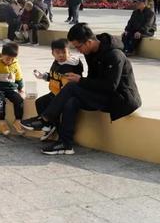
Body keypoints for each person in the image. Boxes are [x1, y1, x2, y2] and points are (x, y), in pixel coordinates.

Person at [21, 23, 142, 155]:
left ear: (89, 42)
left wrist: (80, 80)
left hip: (119, 99)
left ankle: (44, 120)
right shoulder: (90, 52)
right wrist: (80, 81)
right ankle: (65, 143)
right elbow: (92, 79)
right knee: (72, 100)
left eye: (79, 47)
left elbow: (110, 86)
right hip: (102, 93)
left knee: (73, 87)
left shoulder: (114, 55)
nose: (78, 51)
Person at [32, 39, 84, 141]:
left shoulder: (71, 65)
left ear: (69, 52)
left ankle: (55, 129)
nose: (61, 55)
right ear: (53, 53)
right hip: (55, 92)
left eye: (64, 52)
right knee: (40, 102)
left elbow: (69, 81)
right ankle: (49, 126)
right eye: (57, 53)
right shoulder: (57, 62)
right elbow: (55, 77)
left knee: (58, 111)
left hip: (65, 96)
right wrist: (43, 76)